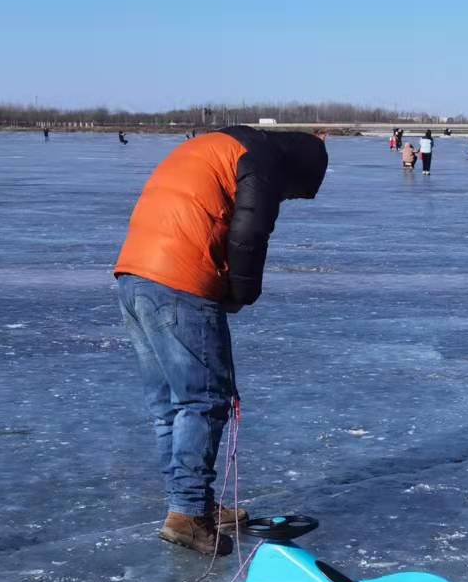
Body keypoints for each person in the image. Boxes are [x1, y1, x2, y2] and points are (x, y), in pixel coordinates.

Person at [113, 127, 328, 552]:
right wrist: (239, 294)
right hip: (179, 278)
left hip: (134, 272)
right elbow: (248, 236)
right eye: (291, 193)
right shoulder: (262, 160)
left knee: (170, 406)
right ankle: (189, 513)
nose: (284, 199)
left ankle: (191, 503)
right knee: (203, 400)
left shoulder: (217, 145)